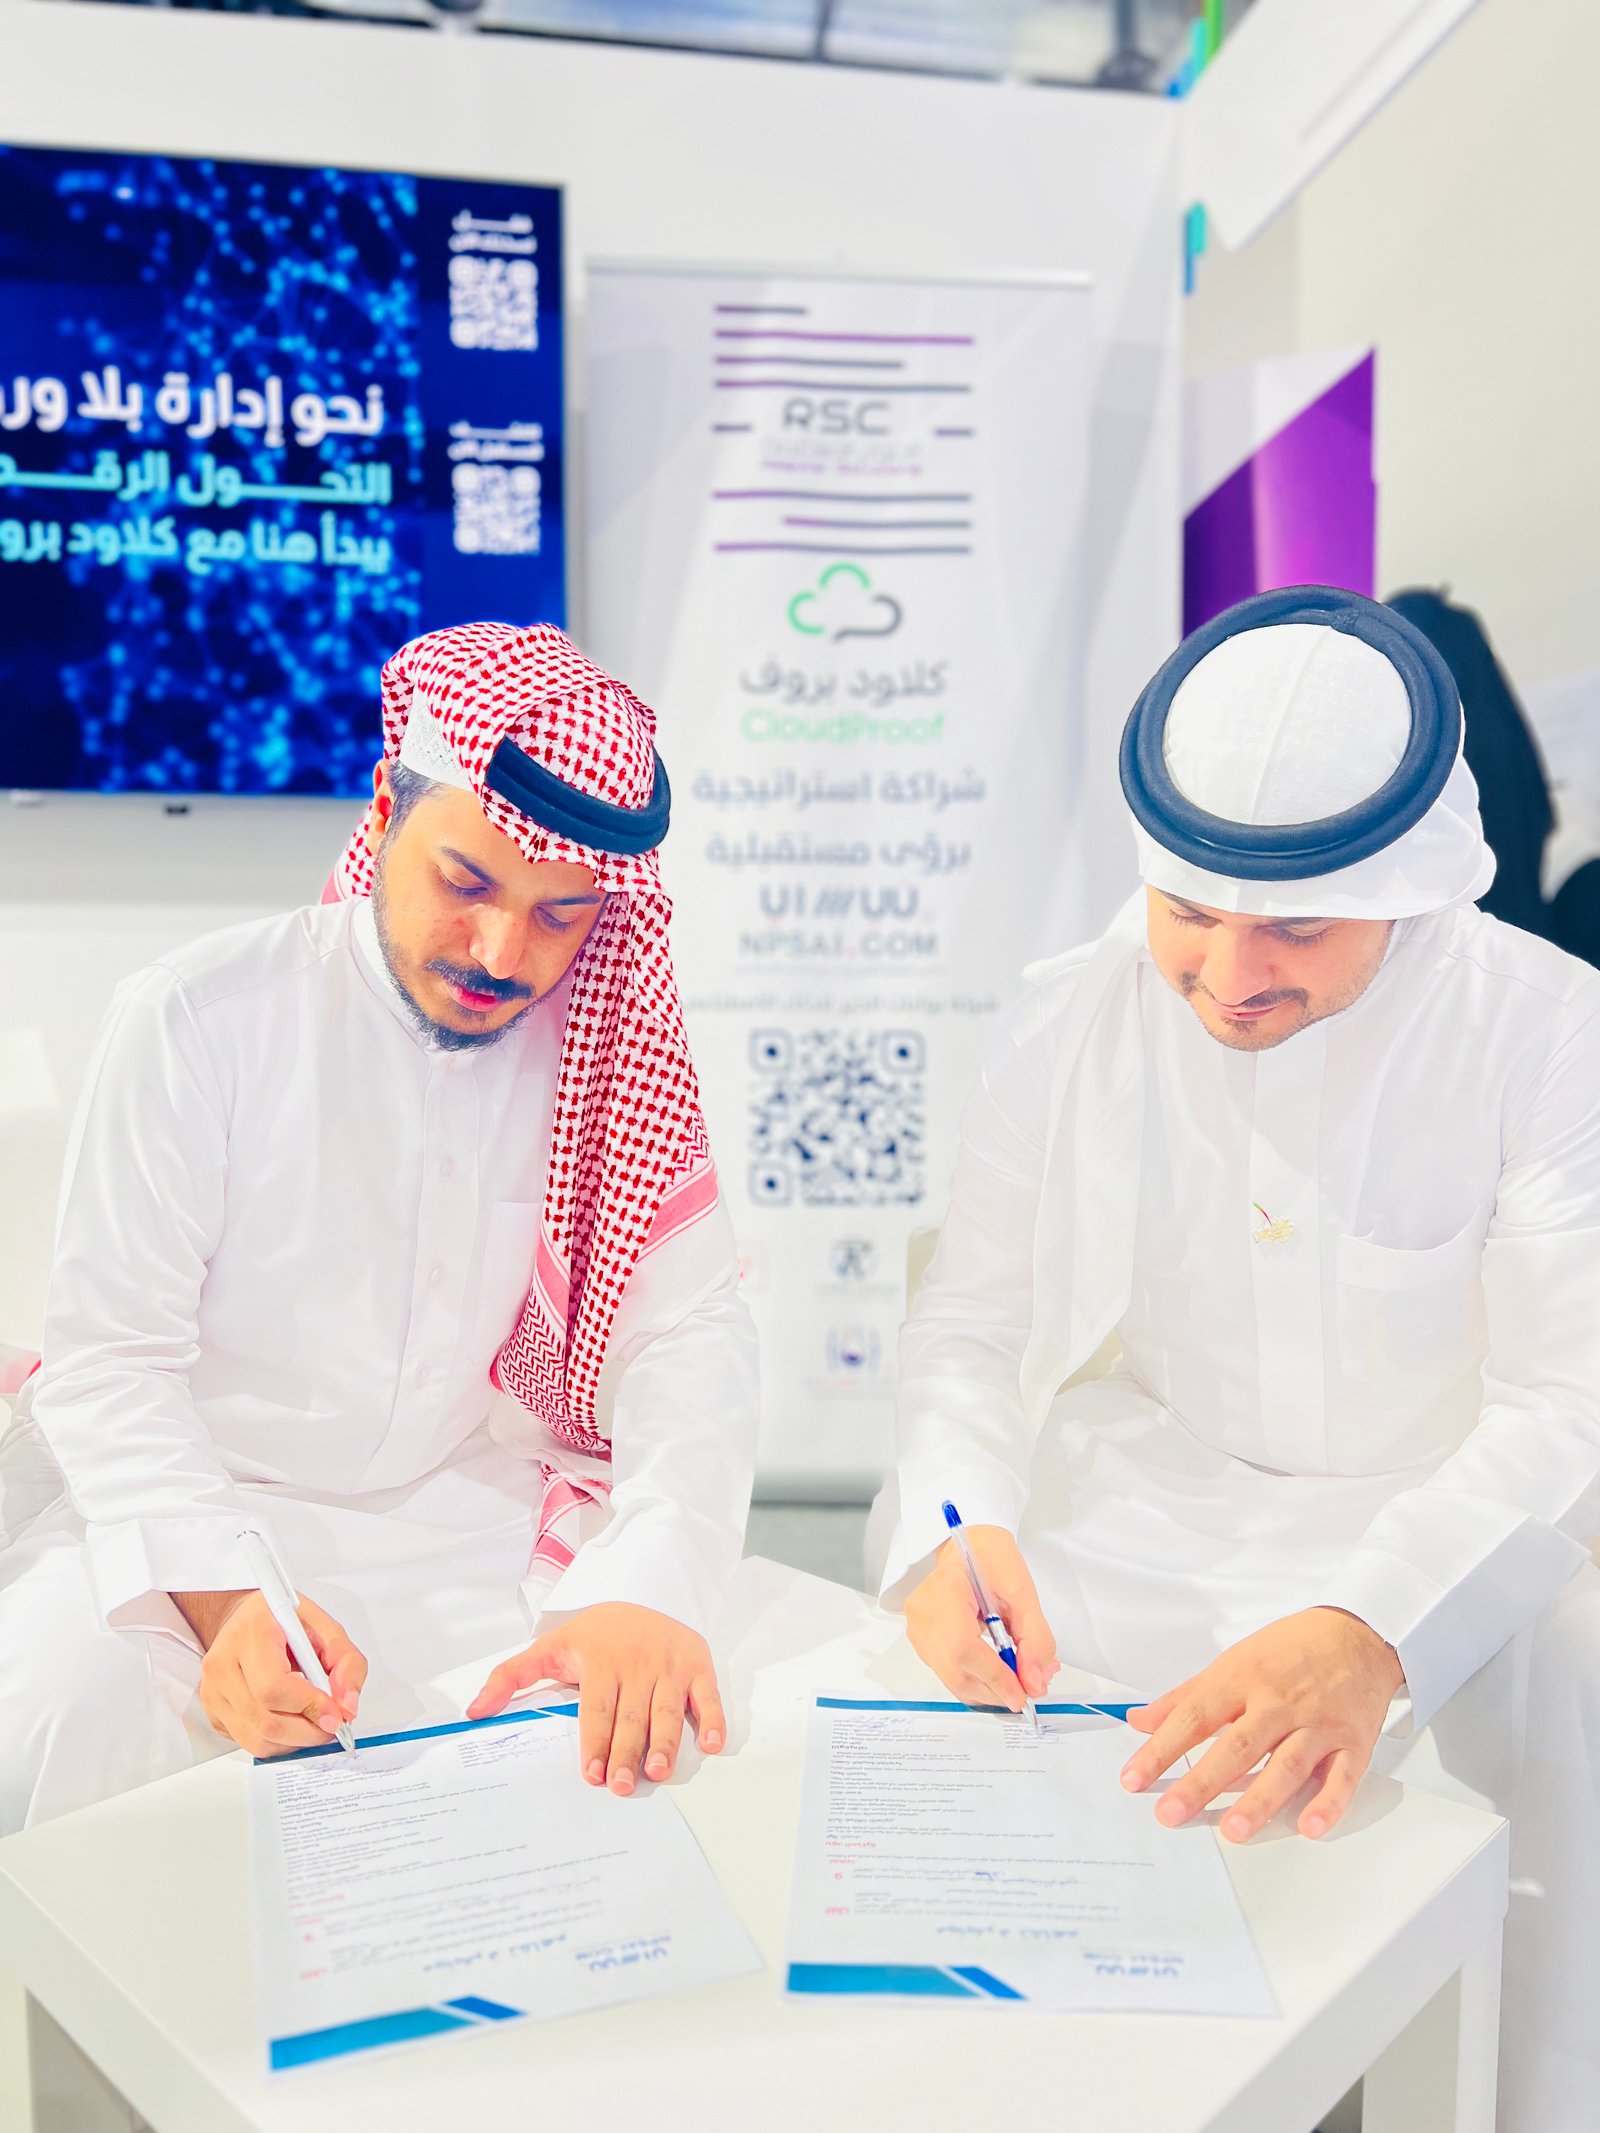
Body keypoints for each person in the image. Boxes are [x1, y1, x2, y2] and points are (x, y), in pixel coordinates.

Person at [878, 586, 1600, 2131]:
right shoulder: (1071, 1014)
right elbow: (972, 1326)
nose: (1226, 973)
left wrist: (1372, 1624)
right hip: (1165, 1506)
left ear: (1409, 890)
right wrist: (951, 1529)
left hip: (1464, 1530)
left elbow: (1560, 1403)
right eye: (1190, 910)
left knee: (1556, 1804)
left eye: (1297, 926)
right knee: (959, 1792)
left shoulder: (1549, 1035)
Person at [0, 622, 759, 1830]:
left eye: (560, 914)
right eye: (466, 884)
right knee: (48, 1720)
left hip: (464, 1511)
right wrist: (233, 1603)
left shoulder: (597, 1050)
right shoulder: (201, 1019)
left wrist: (652, 1585)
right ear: (387, 808)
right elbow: (114, 1366)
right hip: (199, 1505)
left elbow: (690, 1334)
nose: (502, 952)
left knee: (660, 1734)